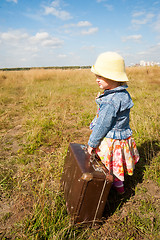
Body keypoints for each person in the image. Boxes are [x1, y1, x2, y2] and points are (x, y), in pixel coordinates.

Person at [87, 51, 139, 194]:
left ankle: (112, 188)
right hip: (121, 138)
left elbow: (103, 125)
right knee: (117, 165)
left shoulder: (110, 101)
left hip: (110, 140)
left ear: (112, 77)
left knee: (108, 165)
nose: (97, 79)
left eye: (100, 76)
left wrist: (92, 144)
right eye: (96, 76)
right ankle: (120, 187)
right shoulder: (122, 93)